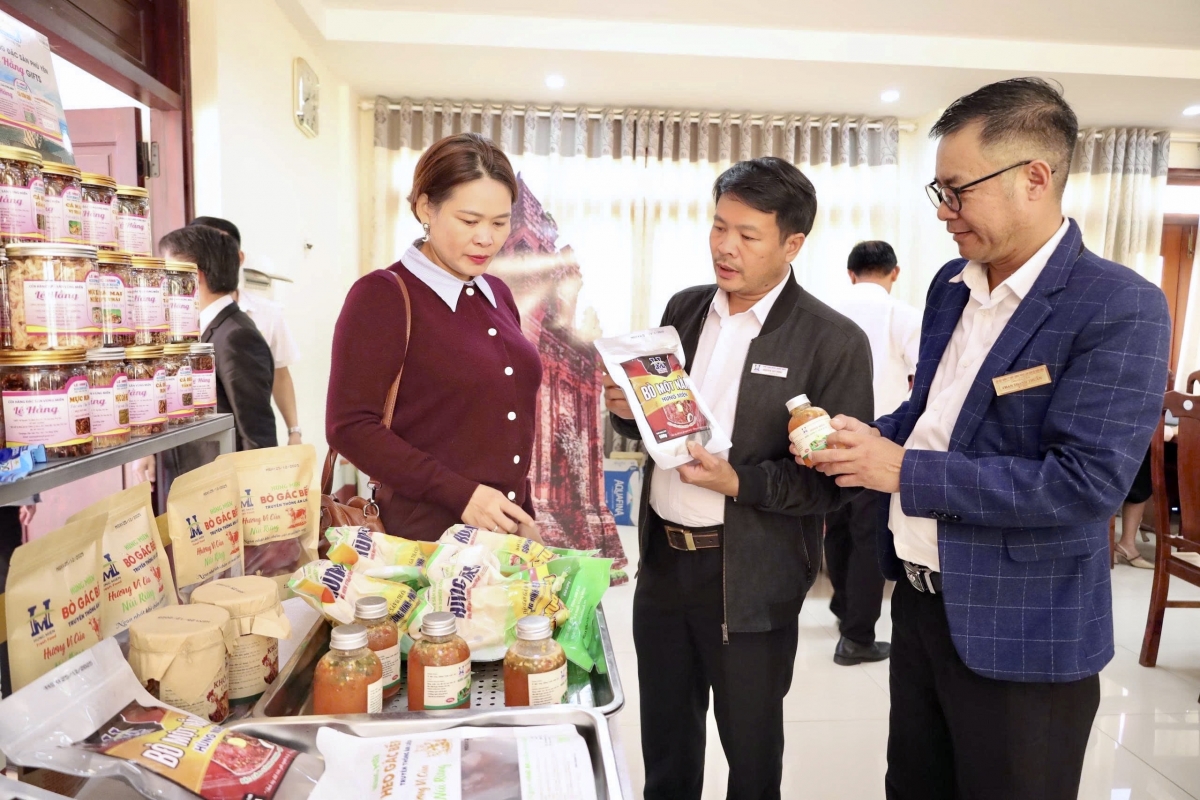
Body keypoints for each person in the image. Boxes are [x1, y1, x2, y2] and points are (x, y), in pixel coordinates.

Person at [806, 78, 1171, 800]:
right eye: (936, 191)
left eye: (957, 190)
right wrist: (862, 440)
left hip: (1024, 632)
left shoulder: (1119, 305)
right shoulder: (951, 285)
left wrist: (904, 470)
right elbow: (931, 414)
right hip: (917, 605)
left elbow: (1084, 483)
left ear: (1035, 178)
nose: (944, 212)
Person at [604, 157, 873, 800]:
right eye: (719, 226)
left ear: (792, 243)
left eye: (748, 235)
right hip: (664, 566)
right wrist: (630, 415)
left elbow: (835, 487)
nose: (725, 247)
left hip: (748, 581)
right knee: (666, 744)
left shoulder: (833, 341)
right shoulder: (686, 309)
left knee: (751, 753)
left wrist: (739, 483)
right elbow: (664, 431)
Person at [326, 132, 543, 542]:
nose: (487, 238)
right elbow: (349, 426)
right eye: (469, 220)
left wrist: (520, 514)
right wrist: (463, 496)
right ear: (427, 207)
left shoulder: (496, 292)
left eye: (500, 223)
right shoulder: (384, 295)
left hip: (505, 534)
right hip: (424, 541)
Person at [824, 240, 921, 665]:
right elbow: (923, 380)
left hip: (826, 436)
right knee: (868, 538)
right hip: (876, 439)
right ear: (894, 272)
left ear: (850, 273)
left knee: (836, 527)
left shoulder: (824, 311)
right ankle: (857, 638)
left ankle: (843, 610)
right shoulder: (902, 314)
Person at [159, 225, 278, 452]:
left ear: (194, 276)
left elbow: (256, 434)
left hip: (223, 482)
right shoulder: (207, 328)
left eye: (168, 273)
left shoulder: (236, 336)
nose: (162, 285)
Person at [190, 216, 304, 445]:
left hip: (241, 445)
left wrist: (294, 431)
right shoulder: (174, 316)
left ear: (239, 257)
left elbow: (280, 375)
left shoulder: (267, 313)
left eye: (220, 248)